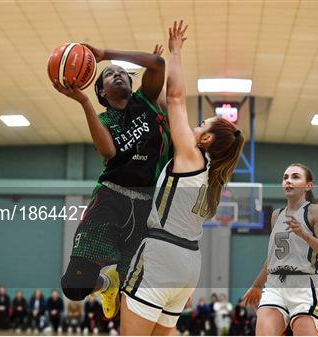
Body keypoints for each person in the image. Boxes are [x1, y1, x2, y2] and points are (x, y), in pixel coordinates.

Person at [119, 21, 245, 335]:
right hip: (188, 264)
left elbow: (175, 100)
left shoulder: (191, 156)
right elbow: (165, 104)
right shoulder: (211, 177)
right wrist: (155, 76)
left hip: (162, 256)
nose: (195, 126)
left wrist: (176, 53)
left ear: (206, 141)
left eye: (202, 124)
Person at [53, 38, 171, 320]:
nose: (116, 74)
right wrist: (83, 102)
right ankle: (105, 283)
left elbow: (159, 64)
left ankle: (113, 283)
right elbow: (108, 151)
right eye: (108, 73)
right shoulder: (104, 120)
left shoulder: (146, 102)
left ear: (131, 85)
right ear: (102, 93)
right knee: (74, 285)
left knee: (131, 290)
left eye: (121, 72)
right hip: (110, 197)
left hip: (146, 205)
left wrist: (105, 55)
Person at [243, 163, 318, 335]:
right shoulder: (277, 215)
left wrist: (304, 235)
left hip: (305, 286)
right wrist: (257, 285)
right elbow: (274, 257)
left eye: (295, 177)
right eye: (285, 177)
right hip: (275, 285)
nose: (289, 181)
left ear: (308, 185)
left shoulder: (315, 211)